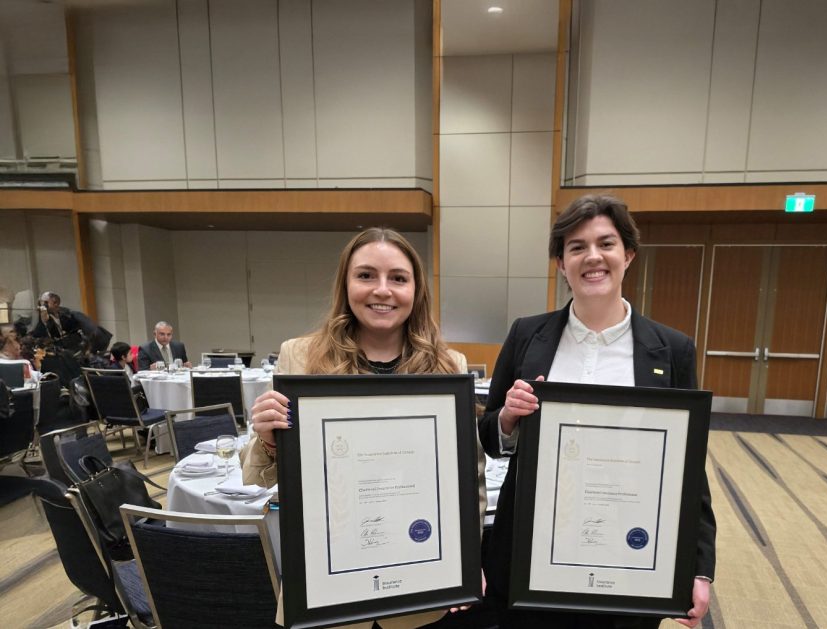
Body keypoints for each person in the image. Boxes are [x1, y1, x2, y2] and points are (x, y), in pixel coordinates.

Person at [478, 195, 716, 629]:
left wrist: (698, 566)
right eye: (576, 247)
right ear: (560, 263)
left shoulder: (672, 349)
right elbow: (488, 434)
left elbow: (688, 467)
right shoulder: (527, 335)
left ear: (628, 254)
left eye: (606, 244)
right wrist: (508, 419)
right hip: (533, 546)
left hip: (629, 549)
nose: (592, 257)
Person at [240, 227, 486, 629]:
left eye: (399, 278)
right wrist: (267, 442)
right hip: (327, 581)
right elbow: (257, 479)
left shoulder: (448, 366)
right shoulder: (300, 357)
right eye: (366, 275)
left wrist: (465, 559)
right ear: (346, 283)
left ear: (416, 290)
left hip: (418, 576)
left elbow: (469, 479)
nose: (382, 290)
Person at [31, 291, 97, 349]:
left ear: (56, 303)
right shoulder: (39, 316)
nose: (44, 305)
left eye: (46, 302)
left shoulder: (67, 314)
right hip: (52, 348)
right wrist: (43, 321)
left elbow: (76, 328)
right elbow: (37, 334)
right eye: (42, 303)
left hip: (70, 346)